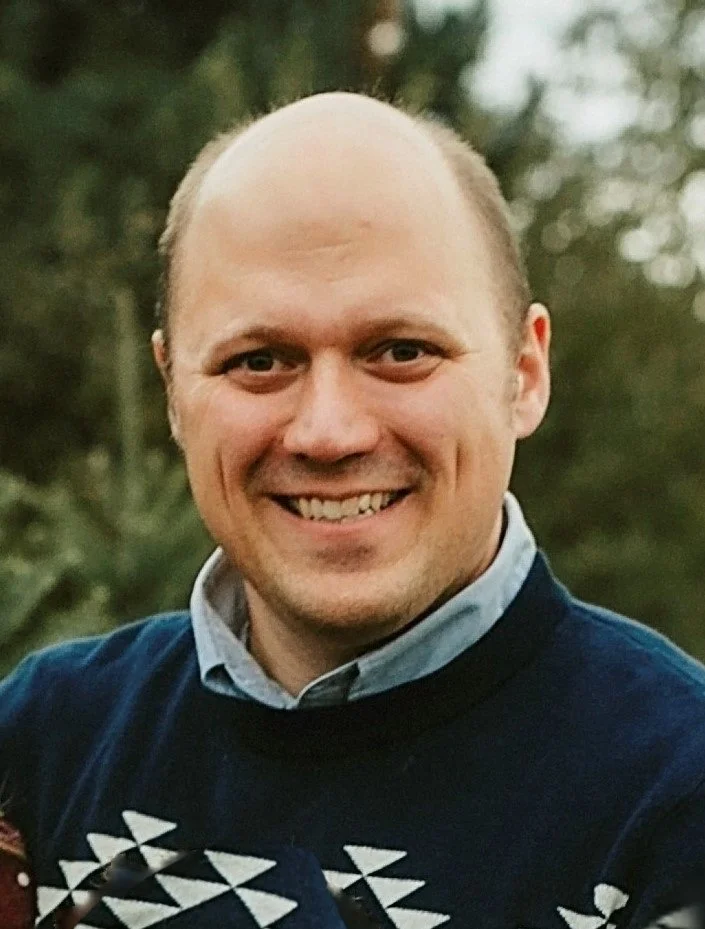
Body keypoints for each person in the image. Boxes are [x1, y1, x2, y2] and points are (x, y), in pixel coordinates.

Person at [2, 91, 705, 929]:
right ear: (173, 393)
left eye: (401, 351)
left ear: (524, 370)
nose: (328, 431)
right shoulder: (43, 748)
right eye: (258, 359)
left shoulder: (675, 798)